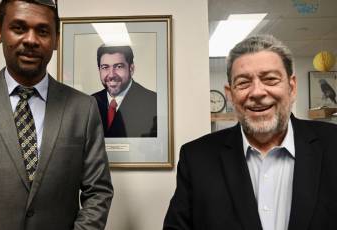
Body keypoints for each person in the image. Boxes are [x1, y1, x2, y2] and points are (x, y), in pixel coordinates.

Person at [0, 1, 113, 229]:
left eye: (43, 31)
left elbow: (98, 191)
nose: (30, 40)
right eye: (19, 28)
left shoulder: (83, 108)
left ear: (56, 40)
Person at [163, 34, 337, 230]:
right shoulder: (196, 158)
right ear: (230, 94)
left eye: (270, 79)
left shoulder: (333, 145)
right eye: (243, 83)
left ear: (292, 86)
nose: (257, 93)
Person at [92, 45, 157, 138]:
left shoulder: (153, 102)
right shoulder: (90, 103)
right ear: (99, 70)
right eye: (105, 67)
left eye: (118, 66)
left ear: (131, 69)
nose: (111, 75)